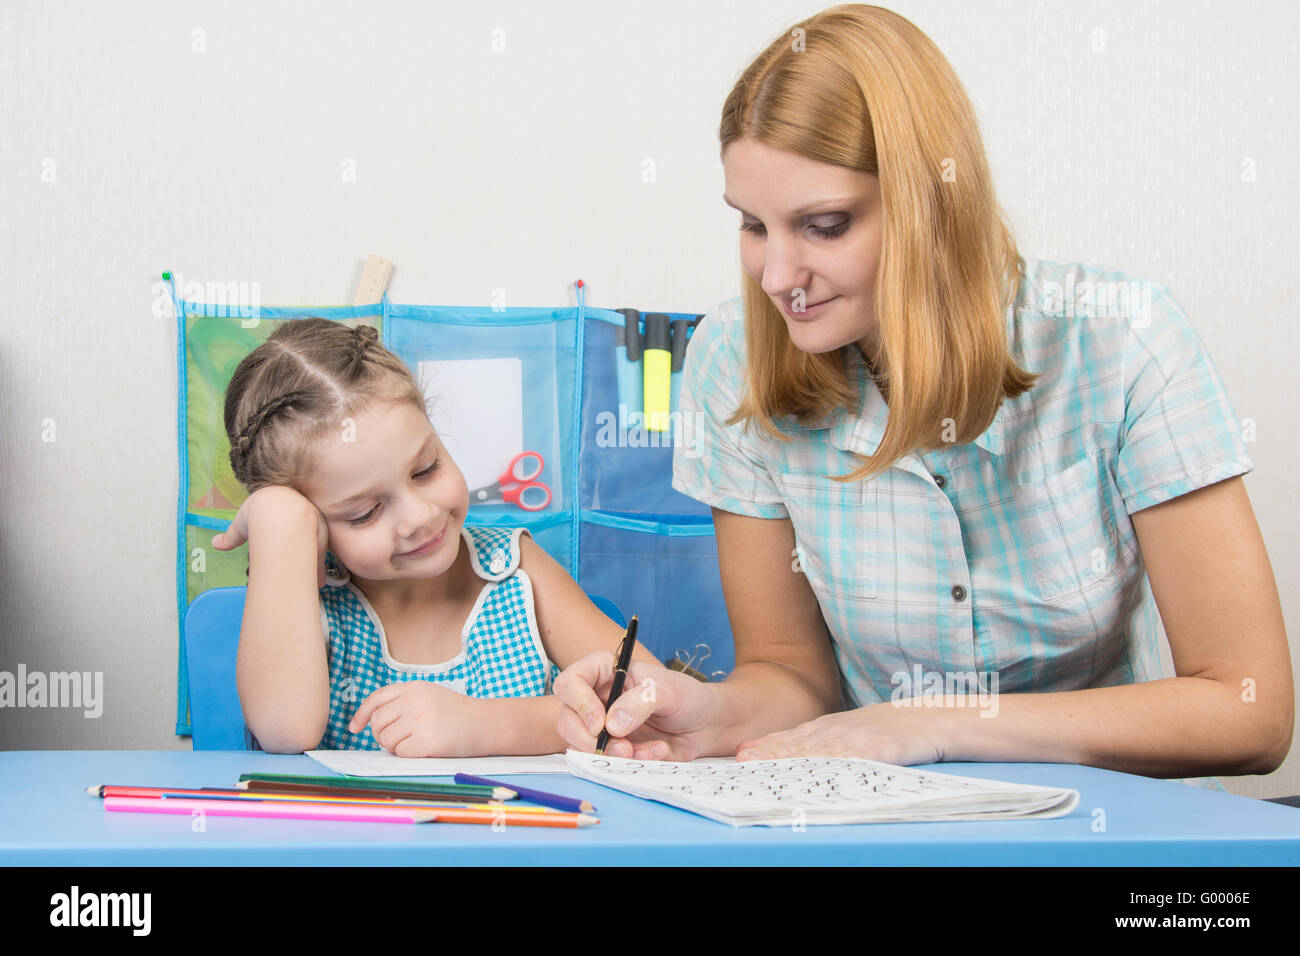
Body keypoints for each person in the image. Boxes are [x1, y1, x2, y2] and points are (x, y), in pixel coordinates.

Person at [553, 4, 1292, 787]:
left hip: (1109, 824)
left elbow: (1249, 712)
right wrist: (701, 711)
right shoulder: (729, 364)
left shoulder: (1122, 340)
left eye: (824, 225)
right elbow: (790, 676)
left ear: (931, 206)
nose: (776, 277)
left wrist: (934, 725)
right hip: (888, 820)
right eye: (752, 225)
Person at [212, 318, 657, 755]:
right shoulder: (310, 605)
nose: (421, 516)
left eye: (425, 470)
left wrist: (489, 726)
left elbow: (653, 703)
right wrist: (280, 518)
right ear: (314, 523)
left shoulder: (514, 570)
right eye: (366, 513)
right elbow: (285, 733)